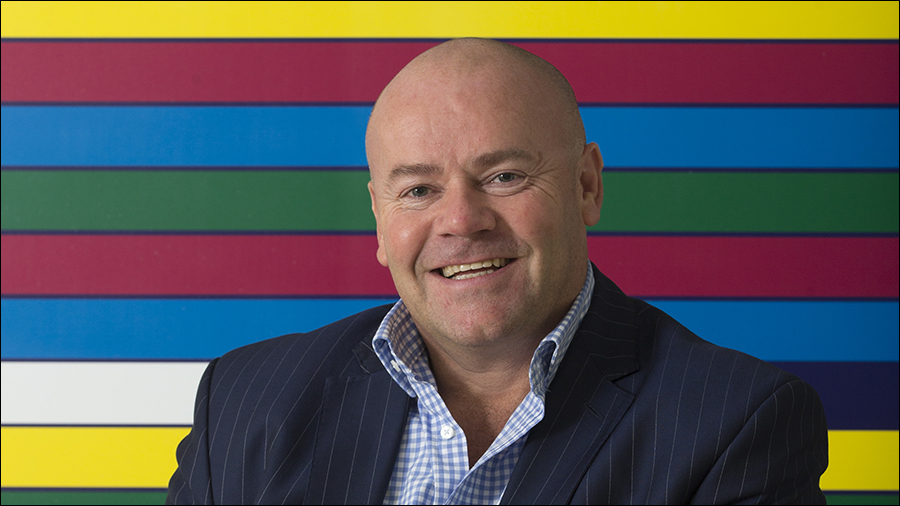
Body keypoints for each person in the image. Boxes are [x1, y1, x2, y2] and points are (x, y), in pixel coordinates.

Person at [167, 39, 828, 505]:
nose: (461, 220)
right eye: (419, 190)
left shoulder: (735, 425)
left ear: (587, 186)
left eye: (504, 177)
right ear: (379, 220)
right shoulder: (245, 403)